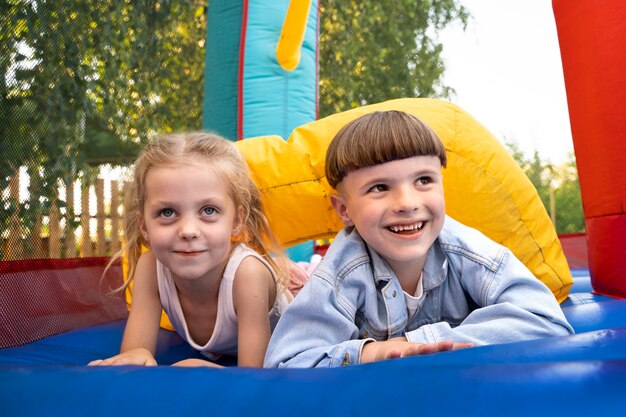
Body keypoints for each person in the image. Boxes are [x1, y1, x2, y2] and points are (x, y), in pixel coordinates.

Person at [264, 110, 574, 368]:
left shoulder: (464, 249)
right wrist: (371, 353)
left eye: (423, 180)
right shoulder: (343, 273)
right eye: (380, 188)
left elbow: (545, 319)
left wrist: (419, 342)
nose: (407, 203)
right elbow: (286, 362)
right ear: (344, 210)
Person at [89, 132, 292, 368]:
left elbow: (254, 376)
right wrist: (134, 358)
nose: (188, 230)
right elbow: (136, 353)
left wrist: (200, 368)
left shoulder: (247, 276)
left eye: (208, 210)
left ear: (237, 221)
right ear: (144, 226)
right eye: (167, 212)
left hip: (286, 323)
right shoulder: (151, 267)